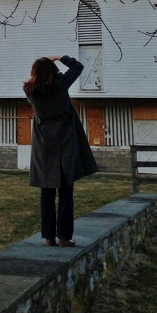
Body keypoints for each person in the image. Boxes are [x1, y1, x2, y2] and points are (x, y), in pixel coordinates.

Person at [23, 55, 98, 247]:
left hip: (43, 146)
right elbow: (78, 66)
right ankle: (65, 237)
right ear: (53, 71)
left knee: (46, 192)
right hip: (65, 143)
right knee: (66, 192)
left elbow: (38, 82)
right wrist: (59, 58)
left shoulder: (29, 91)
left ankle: (49, 237)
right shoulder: (61, 84)